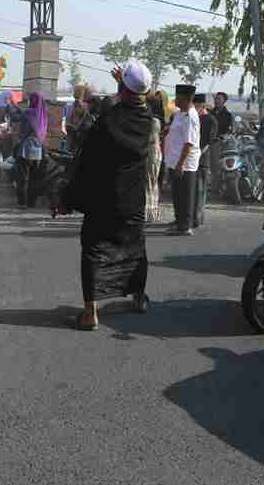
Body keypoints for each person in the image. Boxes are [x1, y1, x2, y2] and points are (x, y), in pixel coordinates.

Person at [67, 62, 155, 330]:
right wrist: (124, 85)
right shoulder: (147, 118)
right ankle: (138, 298)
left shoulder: (108, 120)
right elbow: (138, 100)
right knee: (134, 247)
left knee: (94, 250)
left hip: (104, 199)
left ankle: (90, 313)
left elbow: (87, 160)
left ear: (123, 88)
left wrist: (68, 197)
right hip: (133, 199)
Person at [164, 84, 200, 236]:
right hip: (175, 160)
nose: (175, 99)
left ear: (186, 98)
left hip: (184, 162)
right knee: (177, 194)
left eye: (178, 97)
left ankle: (185, 227)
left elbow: (189, 143)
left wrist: (180, 164)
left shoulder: (191, 116)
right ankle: (179, 221)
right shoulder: (180, 113)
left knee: (185, 195)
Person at [15, 92, 48, 207]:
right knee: (34, 178)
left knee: (23, 177)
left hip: (26, 149)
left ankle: (22, 202)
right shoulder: (43, 115)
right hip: (38, 150)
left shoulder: (28, 113)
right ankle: (31, 202)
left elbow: (22, 131)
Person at [192, 94, 217, 228]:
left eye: (196, 106)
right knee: (192, 191)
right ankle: (190, 217)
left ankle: (198, 218)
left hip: (202, 160)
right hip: (191, 159)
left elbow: (209, 142)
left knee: (200, 191)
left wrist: (198, 154)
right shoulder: (194, 118)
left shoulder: (210, 120)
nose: (194, 108)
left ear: (202, 106)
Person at [144, 93, 164, 222]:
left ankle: (148, 213)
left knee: (148, 182)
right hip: (155, 152)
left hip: (150, 152)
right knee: (153, 183)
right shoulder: (157, 120)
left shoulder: (152, 121)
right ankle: (152, 212)